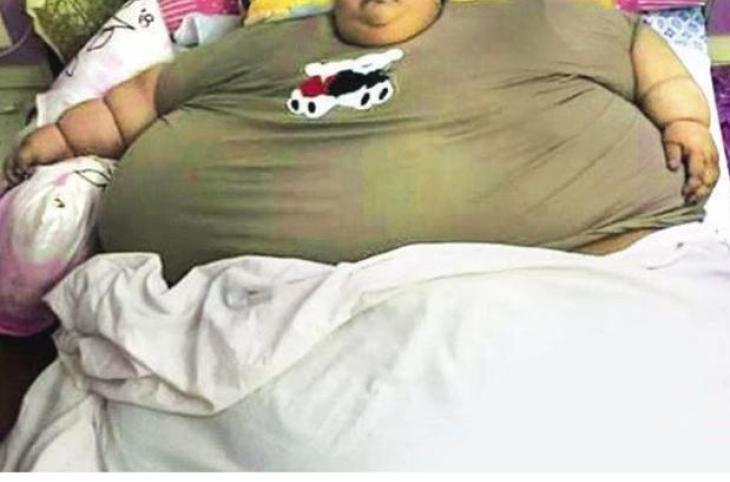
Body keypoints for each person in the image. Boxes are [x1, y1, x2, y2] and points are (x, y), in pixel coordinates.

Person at [1, 0, 720, 283]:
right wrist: (61, 135)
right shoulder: (263, 45)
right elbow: (139, 98)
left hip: (586, 266)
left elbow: (638, 45)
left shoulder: (530, 17)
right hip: (247, 295)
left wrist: (685, 119)